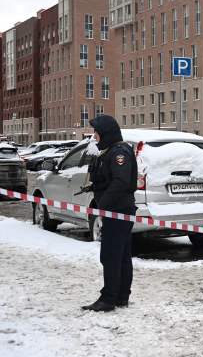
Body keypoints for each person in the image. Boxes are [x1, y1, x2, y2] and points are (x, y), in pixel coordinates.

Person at [81, 115, 138, 312]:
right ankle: (120, 297)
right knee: (120, 255)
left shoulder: (118, 152)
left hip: (118, 210)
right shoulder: (112, 150)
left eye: (96, 132)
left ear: (105, 132)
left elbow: (121, 182)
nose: (94, 136)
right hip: (119, 209)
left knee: (111, 255)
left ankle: (108, 299)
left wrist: (102, 204)